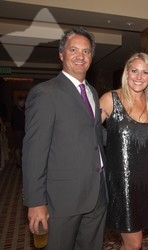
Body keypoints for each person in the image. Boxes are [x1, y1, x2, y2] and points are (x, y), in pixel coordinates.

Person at [22, 27, 108, 250]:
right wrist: (36, 202)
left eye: (87, 51)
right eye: (74, 50)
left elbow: (93, 137)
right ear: (61, 54)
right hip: (62, 201)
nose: (81, 56)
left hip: (96, 195)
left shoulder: (92, 92)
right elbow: (34, 152)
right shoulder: (45, 93)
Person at [99, 52, 148, 250]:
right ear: (126, 72)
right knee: (134, 243)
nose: (139, 77)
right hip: (121, 185)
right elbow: (85, 135)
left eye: (145, 72)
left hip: (145, 184)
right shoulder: (110, 99)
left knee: (134, 241)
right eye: (134, 71)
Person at [11, 96, 25, 167]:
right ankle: (18, 163)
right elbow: (16, 122)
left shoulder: (21, 109)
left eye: (24, 101)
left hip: (20, 130)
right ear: (18, 102)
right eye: (22, 101)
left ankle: (19, 162)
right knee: (18, 147)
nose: (24, 103)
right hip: (18, 131)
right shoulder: (16, 110)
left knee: (20, 147)